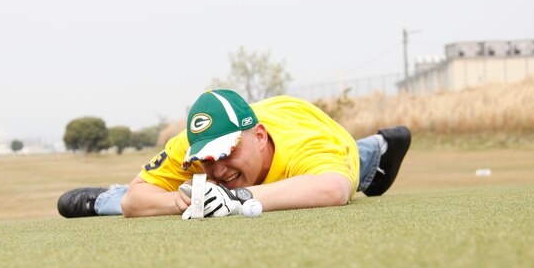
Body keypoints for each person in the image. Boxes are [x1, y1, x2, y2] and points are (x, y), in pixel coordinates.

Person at [57, 89, 411, 219]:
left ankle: (379, 152)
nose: (217, 167)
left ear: (258, 136)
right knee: (141, 196)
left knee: (358, 166)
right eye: (206, 158)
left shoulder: (311, 143)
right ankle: (105, 198)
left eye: (226, 152)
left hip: (332, 146)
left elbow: (332, 190)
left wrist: (232, 197)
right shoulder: (189, 143)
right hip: (261, 154)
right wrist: (188, 202)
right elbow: (135, 200)